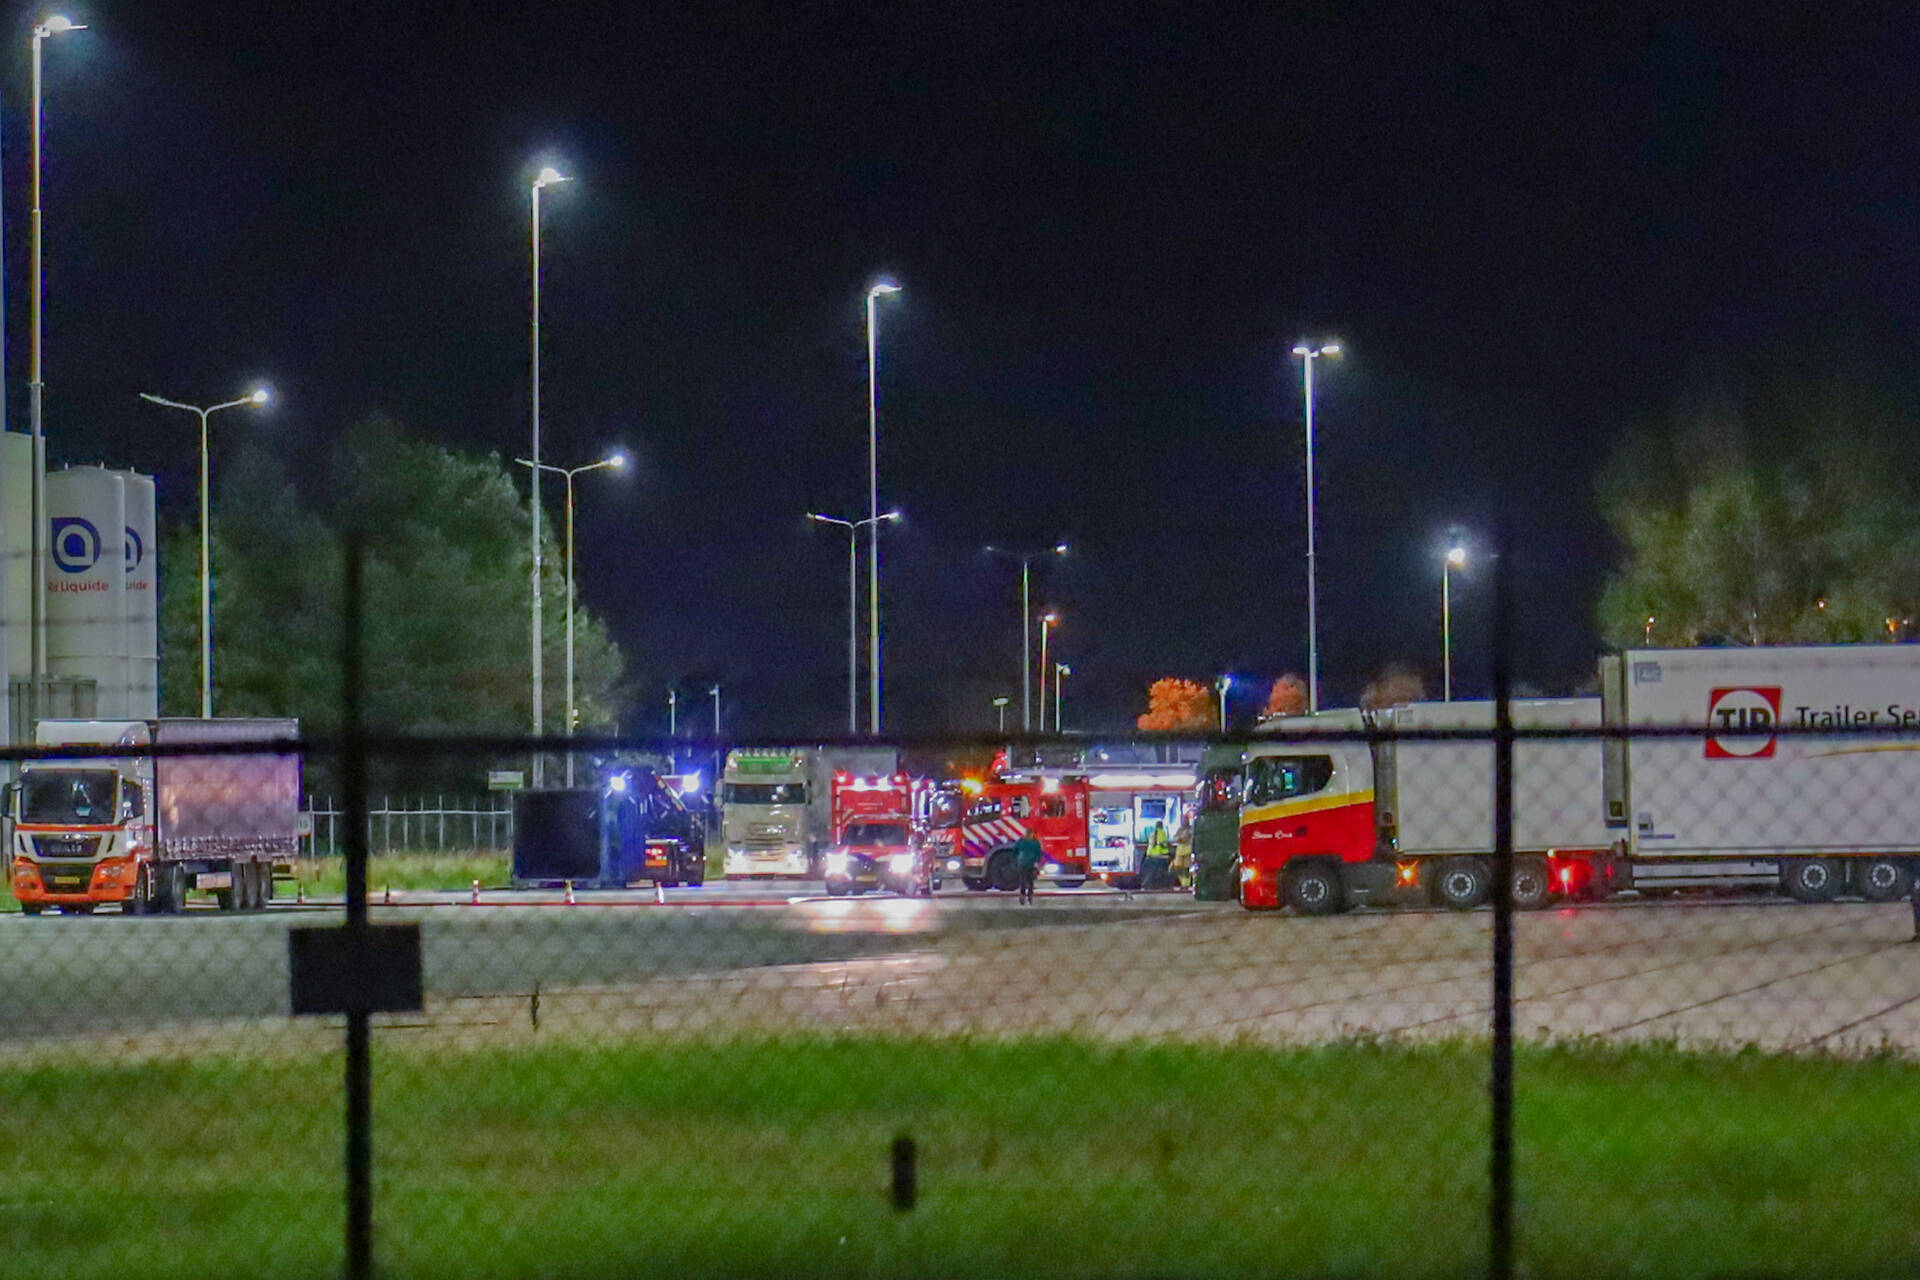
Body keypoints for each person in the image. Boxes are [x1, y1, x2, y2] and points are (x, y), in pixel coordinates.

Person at [1013, 830, 1043, 903]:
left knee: (1022, 879)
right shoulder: (1035, 842)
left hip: (1022, 863)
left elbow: (1015, 850)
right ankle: (1030, 895)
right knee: (1030, 880)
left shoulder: (1021, 841)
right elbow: (1039, 853)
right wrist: (1038, 862)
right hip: (1031, 864)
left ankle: (1022, 895)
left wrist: (1017, 859)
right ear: (1032, 834)